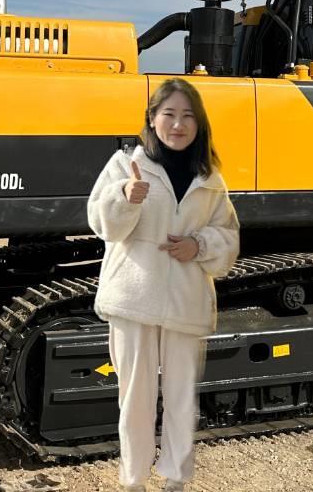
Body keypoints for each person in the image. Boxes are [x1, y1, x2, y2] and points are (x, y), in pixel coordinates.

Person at [87, 77, 240, 492]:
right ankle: (133, 481)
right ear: (152, 120)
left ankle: (176, 480)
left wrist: (199, 244)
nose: (178, 124)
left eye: (188, 116)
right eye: (168, 114)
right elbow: (103, 225)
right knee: (134, 398)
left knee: (180, 398)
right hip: (134, 298)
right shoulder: (125, 166)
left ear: (199, 124)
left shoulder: (210, 179)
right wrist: (125, 196)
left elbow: (228, 236)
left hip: (186, 301)